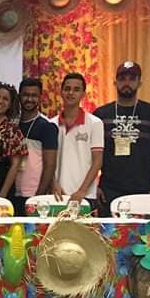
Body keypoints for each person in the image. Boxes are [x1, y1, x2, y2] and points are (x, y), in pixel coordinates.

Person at [93, 61, 150, 217]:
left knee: (145, 232)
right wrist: (94, 186)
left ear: (139, 83)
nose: (126, 83)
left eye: (132, 79)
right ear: (115, 83)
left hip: (145, 189)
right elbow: (93, 155)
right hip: (108, 189)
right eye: (122, 79)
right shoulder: (101, 114)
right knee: (109, 231)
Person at [51, 73, 103, 209]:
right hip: (57, 194)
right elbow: (48, 161)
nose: (71, 93)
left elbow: (97, 161)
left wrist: (82, 191)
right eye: (67, 89)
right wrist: (53, 183)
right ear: (61, 92)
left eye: (76, 89)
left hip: (85, 196)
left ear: (83, 94)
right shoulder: (51, 124)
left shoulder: (95, 123)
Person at [14, 77, 58, 216]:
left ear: (40, 98)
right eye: (26, 95)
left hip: (33, 193)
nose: (29, 99)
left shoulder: (47, 126)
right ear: (19, 96)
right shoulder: (12, 124)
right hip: (12, 191)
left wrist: (38, 197)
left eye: (34, 95)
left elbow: (50, 165)